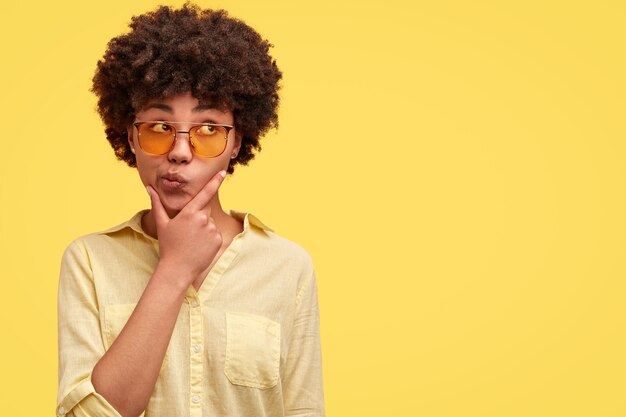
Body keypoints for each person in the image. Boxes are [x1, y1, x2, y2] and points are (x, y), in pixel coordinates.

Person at [56, 3, 325, 417]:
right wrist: (174, 268)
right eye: (160, 128)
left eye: (208, 131)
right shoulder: (90, 261)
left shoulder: (287, 266)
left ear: (237, 142)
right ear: (130, 136)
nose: (180, 151)